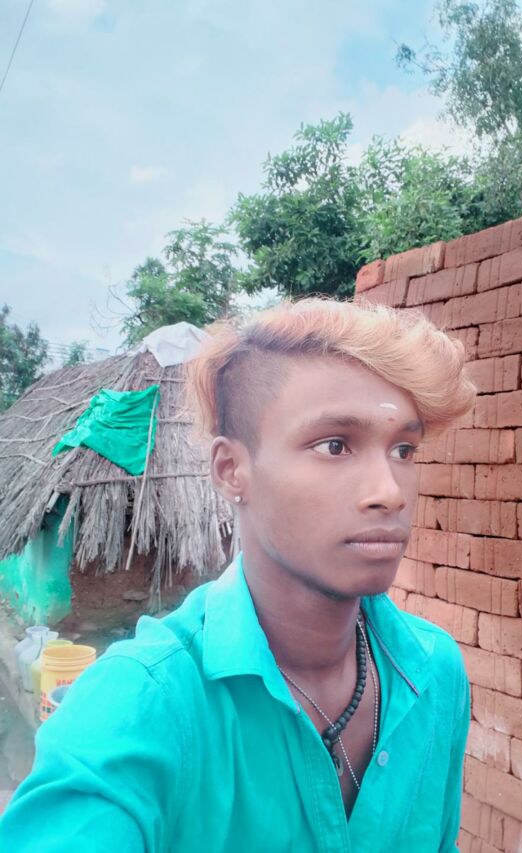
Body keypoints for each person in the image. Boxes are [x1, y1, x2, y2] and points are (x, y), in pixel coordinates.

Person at [1, 297, 476, 852]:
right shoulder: (138, 707)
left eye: (404, 450)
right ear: (231, 471)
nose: (390, 492)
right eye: (335, 445)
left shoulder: (435, 672)